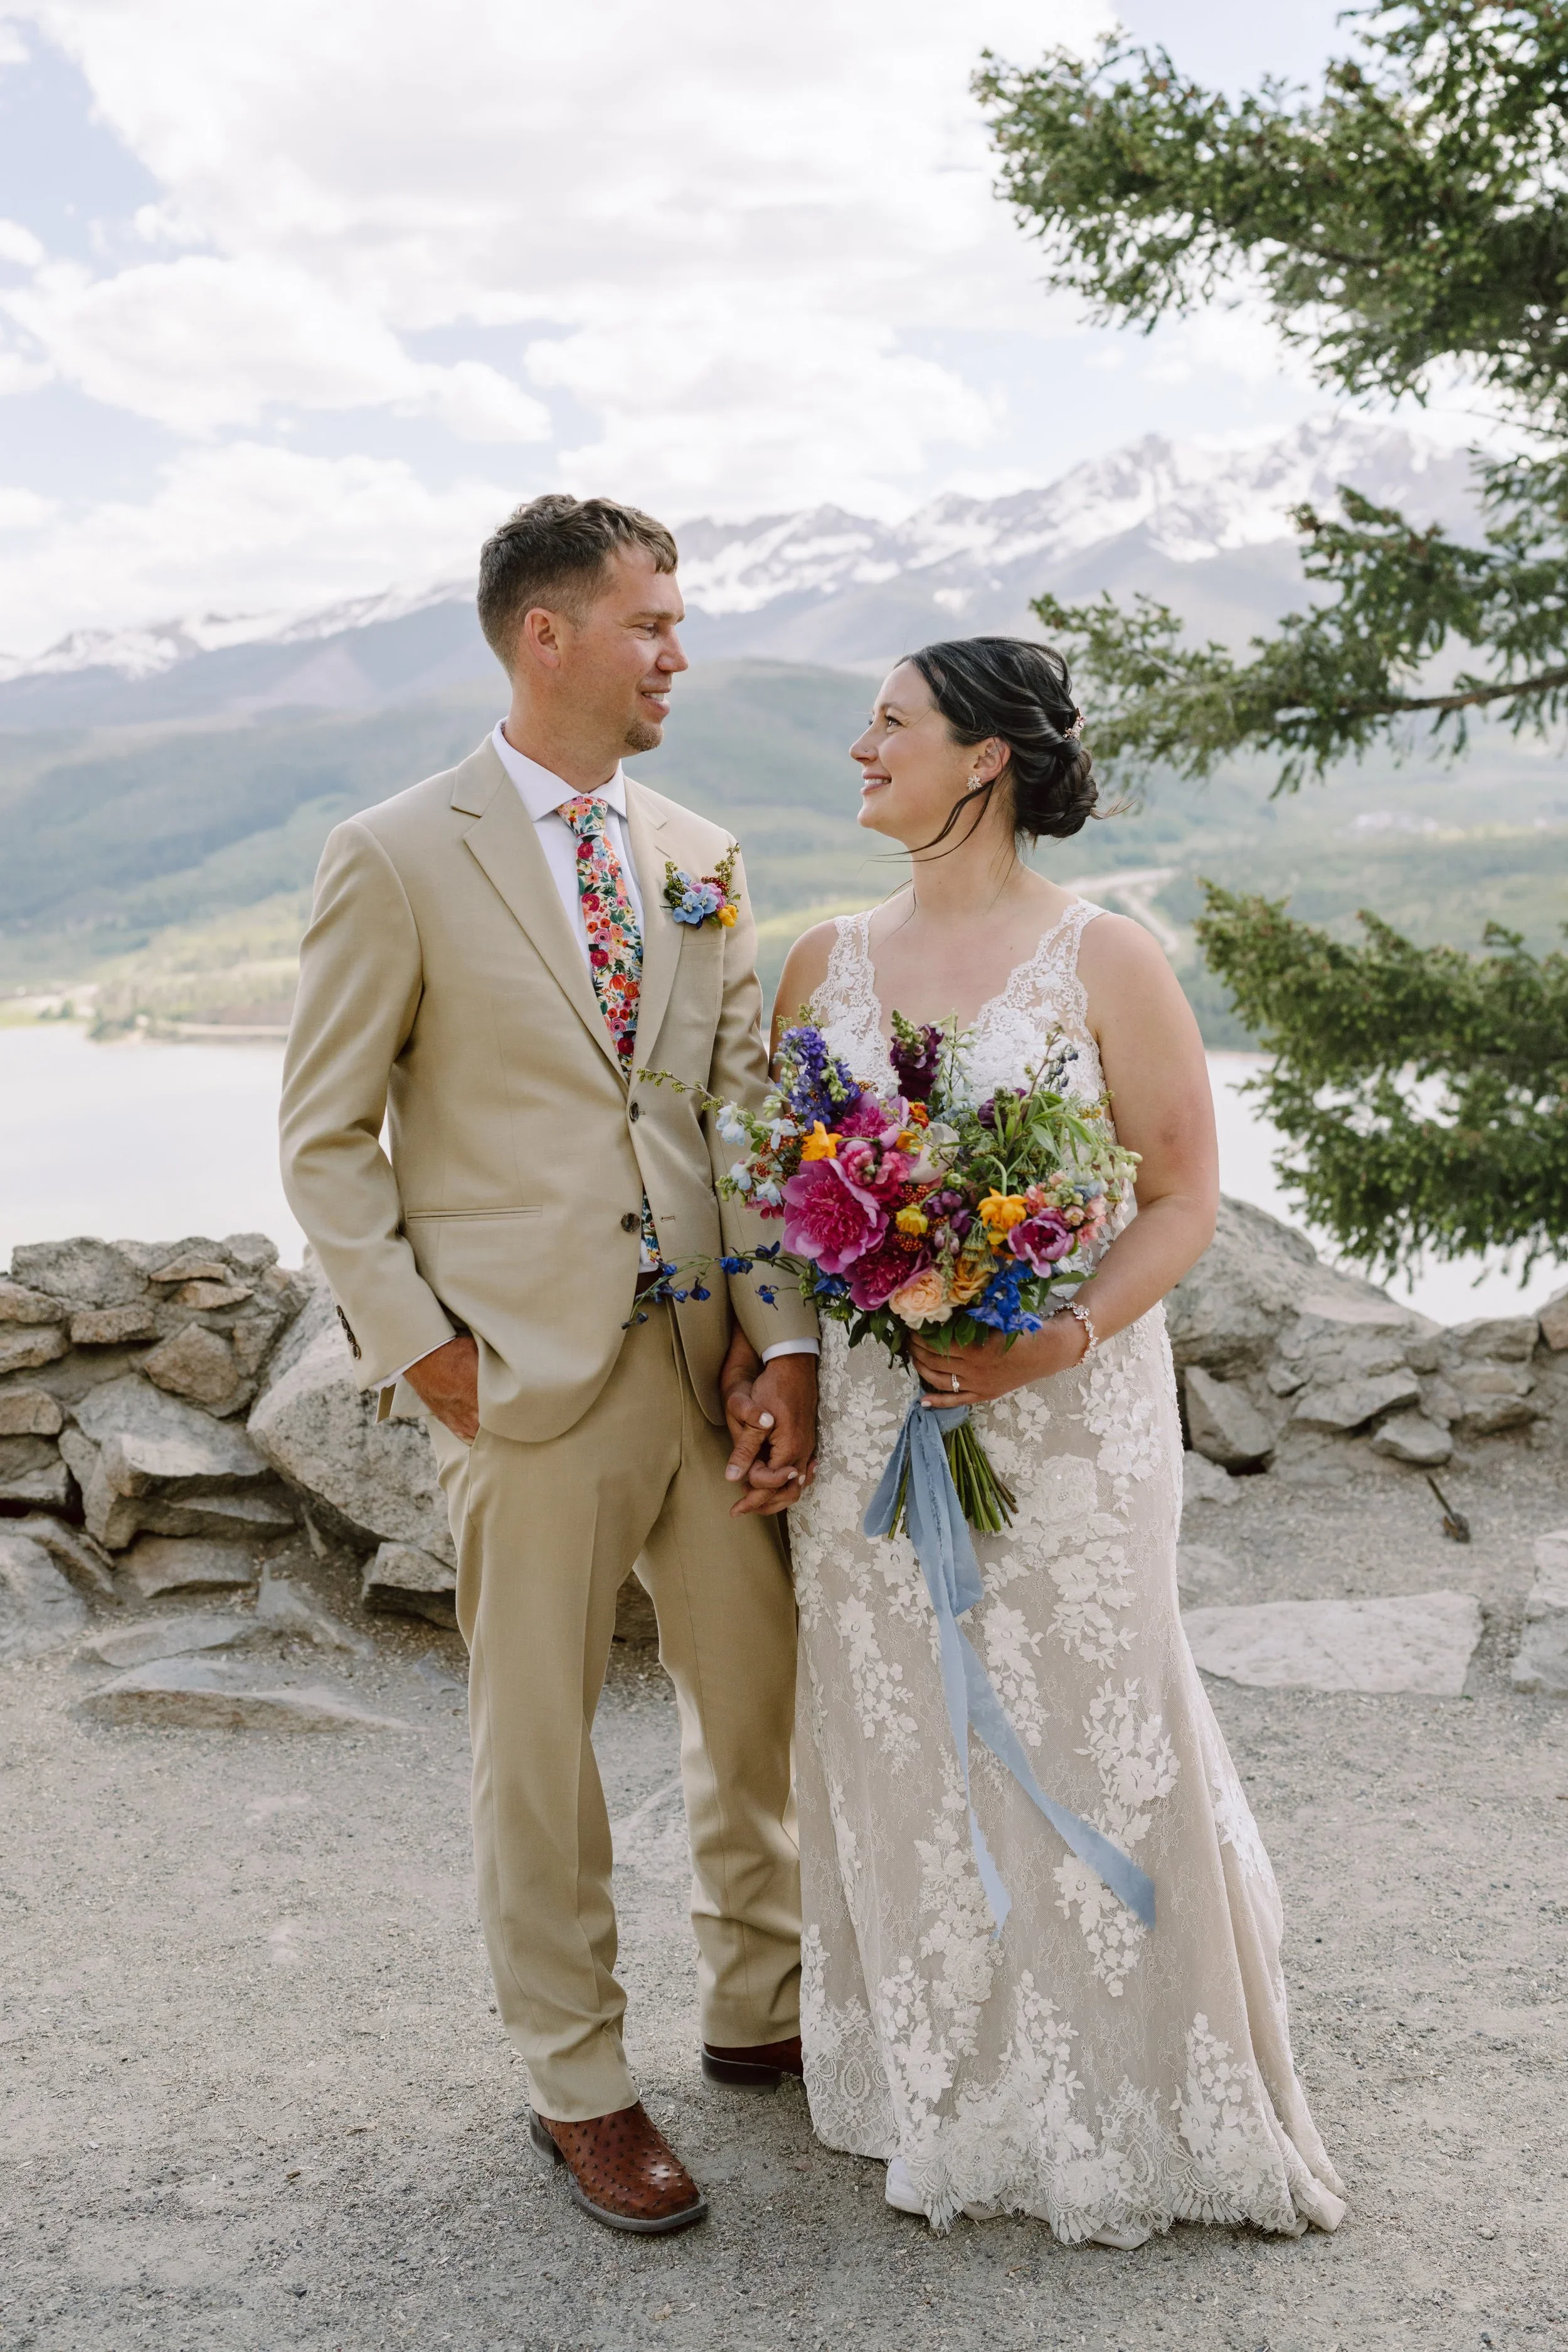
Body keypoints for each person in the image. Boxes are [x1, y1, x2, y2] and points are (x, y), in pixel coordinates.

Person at [755, 635, 1347, 2242]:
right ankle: (952, 2085)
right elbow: (778, 1216)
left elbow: (1177, 1196)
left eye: (890, 724)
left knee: (1091, 1722)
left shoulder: (1104, 959)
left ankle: (1141, 2089)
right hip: (884, 1420)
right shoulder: (817, 965)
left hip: (1069, 1417)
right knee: (896, 1738)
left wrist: (1054, 1336)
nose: (859, 746)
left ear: (983, 759)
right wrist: (800, 1358)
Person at [278, 494, 819, 2236]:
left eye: (681, 620)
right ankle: (578, 2082)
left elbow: (738, 1112)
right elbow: (325, 1140)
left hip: (700, 1362)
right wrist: (422, 1347)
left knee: (761, 1709)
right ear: (548, 636)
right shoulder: (395, 850)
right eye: (654, 622)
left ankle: (761, 2010)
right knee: (539, 1744)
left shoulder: (697, 846)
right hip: (515, 1376)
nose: (681, 652)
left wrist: (773, 1339)